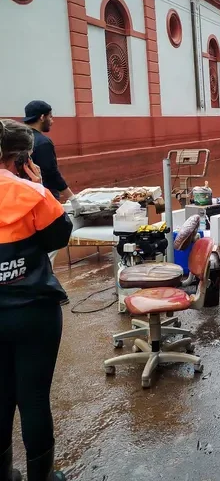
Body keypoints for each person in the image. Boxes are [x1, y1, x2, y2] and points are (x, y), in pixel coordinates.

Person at [0, 120, 72, 481]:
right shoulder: (33, 194)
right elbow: (58, 236)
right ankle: (41, 477)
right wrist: (37, 185)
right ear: (21, 159)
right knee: (33, 398)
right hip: (33, 313)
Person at [24, 101, 78, 273]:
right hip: (44, 199)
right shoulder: (42, 142)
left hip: (24, 200)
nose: (52, 121)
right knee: (50, 245)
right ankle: (46, 282)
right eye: (51, 116)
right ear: (42, 117)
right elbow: (52, 174)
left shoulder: (19, 139)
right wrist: (73, 198)